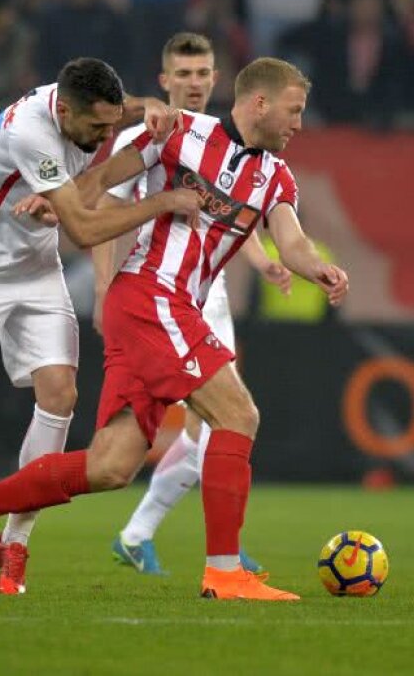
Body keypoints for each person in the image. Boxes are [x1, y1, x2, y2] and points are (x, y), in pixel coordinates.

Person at [0, 58, 349, 601]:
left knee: (111, 466)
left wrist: (318, 269)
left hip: (167, 310)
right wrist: (61, 199)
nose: (298, 124)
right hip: (153, 297)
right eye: (294, 112)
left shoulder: (276, 177)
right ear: (260, 104)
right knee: (238, 415)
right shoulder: (181, 132)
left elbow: (291, 242)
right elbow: (106, 175)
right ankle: (224, 572)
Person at [0, 57, 201, 596]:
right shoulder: (32, 133)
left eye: (111, 124)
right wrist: (164, 202)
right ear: (64, 111)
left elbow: (122, 113)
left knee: (60, 394)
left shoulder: (82, 106)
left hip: (36, 272)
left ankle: (16, 543)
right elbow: (86, 226)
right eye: (95, 128)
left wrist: (150, 107)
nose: (104, 137)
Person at [91, 32, 292, 577]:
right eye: (184, 75)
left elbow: (230, 210)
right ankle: (186, 544)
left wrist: (262, 261)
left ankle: (148, 535)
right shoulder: (149, 137)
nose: (196, 84)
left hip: (207, 293)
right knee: (215, 421)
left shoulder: (228, 144)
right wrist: (103, 284)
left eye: (204, 74)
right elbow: (105, 212)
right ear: (165, 82)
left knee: (215, 423)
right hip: (150, 288)